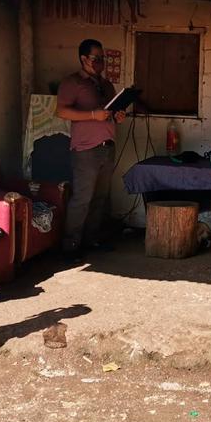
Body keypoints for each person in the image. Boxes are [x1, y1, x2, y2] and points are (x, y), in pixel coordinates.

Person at [56, 39, 127, 259]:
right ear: (83, 58)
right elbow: (62, 112)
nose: (100, 63)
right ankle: (71, 246)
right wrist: (93, 115)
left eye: (102, 59)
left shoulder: (106, 85)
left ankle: (91, 239)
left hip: (107, 146)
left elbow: (112, 112)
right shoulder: (72, 82)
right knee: (82, 198)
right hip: (86, 149)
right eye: (96, 58)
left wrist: (118, 116)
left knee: (100, 197)